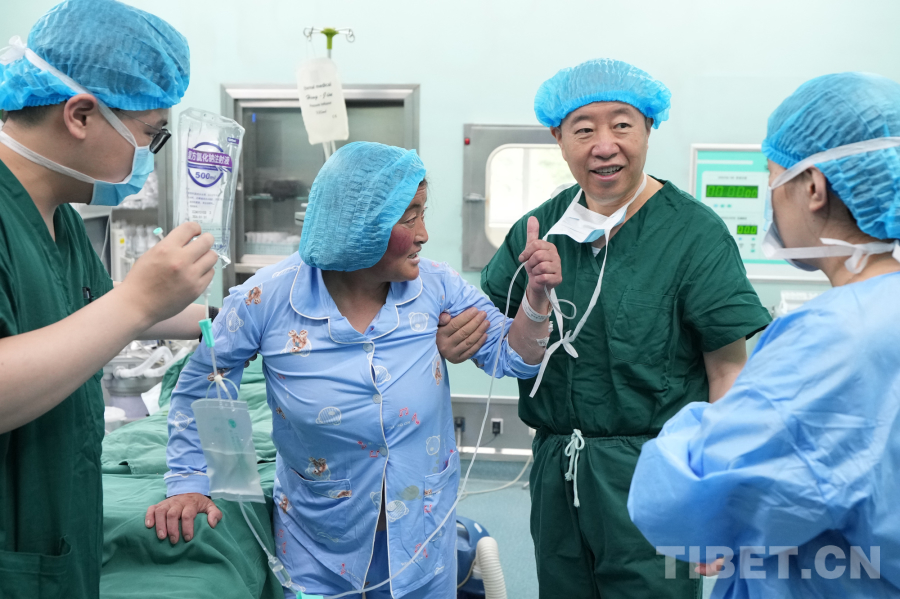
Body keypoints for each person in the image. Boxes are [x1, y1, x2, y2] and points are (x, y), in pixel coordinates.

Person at [148, 142, 563, 599]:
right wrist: (189, 482)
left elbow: (514, 356)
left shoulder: (437, 286)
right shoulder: (266, 298)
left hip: (423, 536)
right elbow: (204, 381)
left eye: (423, 214)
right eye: (409, 218)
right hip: (318, 545)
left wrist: (536, 300)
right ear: (362, 225)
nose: (424, 234)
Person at [437, 58, 772, 599]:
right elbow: (489, 328)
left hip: (655, 473)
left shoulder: (694, 234)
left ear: (648, 129)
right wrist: (455, 339)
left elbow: (727, 371)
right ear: (558, 138)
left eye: (622, 125)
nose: (604, 145)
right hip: (557, 472)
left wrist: (722, 486)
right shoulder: (540, 228)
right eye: (584, 129)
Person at [628, 72, 900, 598]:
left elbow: (687, 498)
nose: (771, 198)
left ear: (813, 187)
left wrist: (693, 429)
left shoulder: (835, 339)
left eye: (774, 179)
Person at [0, 2, 218, 597]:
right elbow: (118, 313)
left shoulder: (61, 218)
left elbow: (83, 315)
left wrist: (226, 317)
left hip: (55, 541)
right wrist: (139, 302)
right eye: (151, 135)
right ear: (80, 115)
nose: (149, 155)